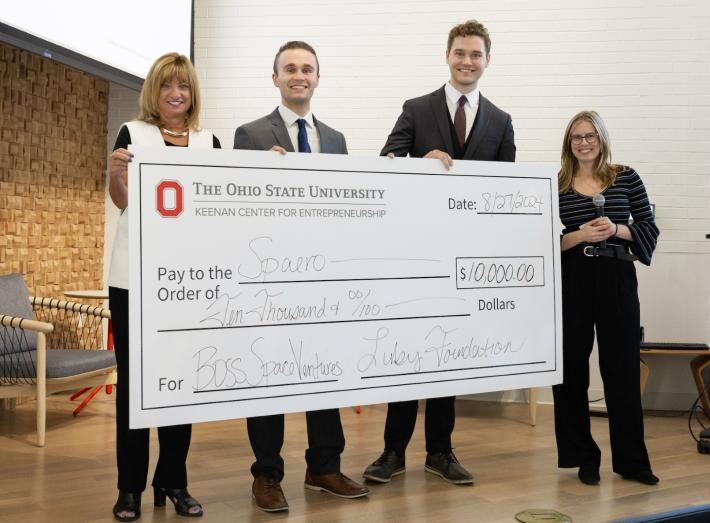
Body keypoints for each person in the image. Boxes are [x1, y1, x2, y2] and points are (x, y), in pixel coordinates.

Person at [363, 19, 515, 486]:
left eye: (476, 55)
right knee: (409, 356)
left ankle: (440, 452)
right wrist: (417, 163)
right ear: (447, 56)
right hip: (416, 254)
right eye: (460, 53)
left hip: (464, 261)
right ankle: (392, 452)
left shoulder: (501, 121)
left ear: (487, 61)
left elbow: (504, 195)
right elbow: (386, 163)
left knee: (448, 358)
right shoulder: (417, 107)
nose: (467, 62)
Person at [233, 40, 369, 512]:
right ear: (275, 78)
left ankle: (324, 468)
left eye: (307, 68)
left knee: (324, 372)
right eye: (289, 68)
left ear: (316, 77)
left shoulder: (336, 140)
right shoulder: (249, 134)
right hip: (269, 280)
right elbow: (237, 208)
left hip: (322, 279)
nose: (298, 75)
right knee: (268, 374)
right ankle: (267, 474)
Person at [108, 52, 221, 521]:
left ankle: (173, 481)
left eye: (184, 87)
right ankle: (129, 488)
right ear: (154, 92)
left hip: (187, 282)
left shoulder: (209, 141)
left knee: (181, 385)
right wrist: (116, 174)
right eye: (167, 86)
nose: (176, 94)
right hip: (133, 279)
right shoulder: (132, 134)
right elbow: (122, 202)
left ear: (192, 94)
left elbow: (216, 208)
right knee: (135, 386)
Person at [553, 110, 660, 486]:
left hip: (617, 277)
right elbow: (543, 241)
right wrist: (580, 235)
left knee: (623, 370)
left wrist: (616, 228)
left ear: (602, 139)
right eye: (576, 137)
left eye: (590, 136)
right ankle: (583, 457)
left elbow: (648, 227)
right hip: (572, 281)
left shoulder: (625, 177)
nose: (583, 142)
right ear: (569, 143)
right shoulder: (557, 183)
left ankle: (632, 461)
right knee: (569, 372)